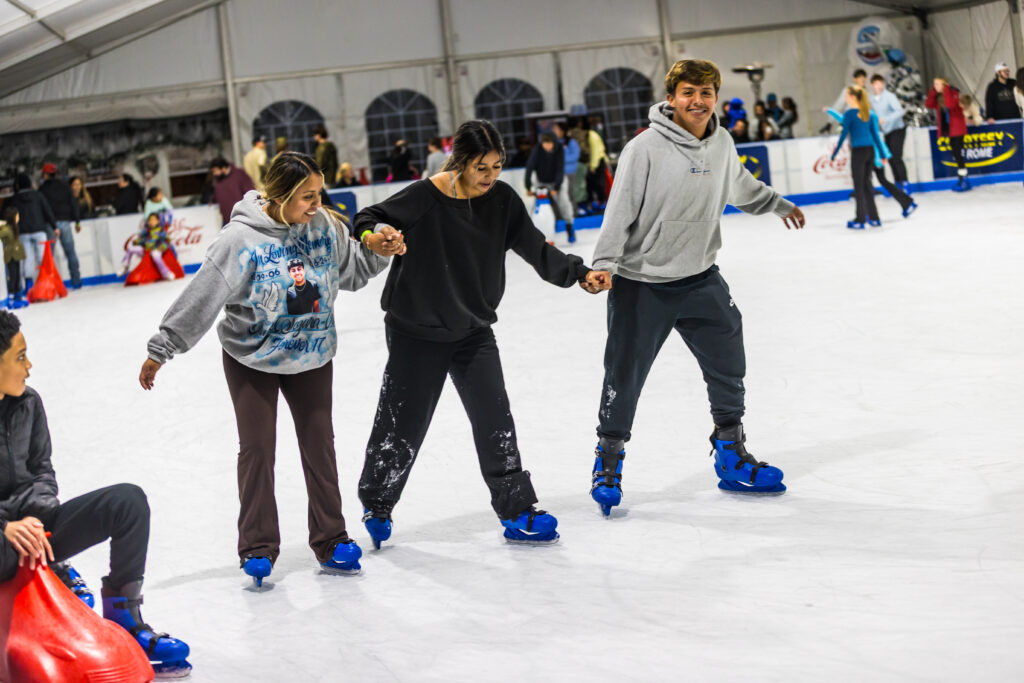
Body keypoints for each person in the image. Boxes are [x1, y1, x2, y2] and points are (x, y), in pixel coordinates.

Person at [139, 151, 404, 587]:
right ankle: (258, 548)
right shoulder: (239, 240)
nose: (316, 205)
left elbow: (352, 272)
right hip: (252, 360)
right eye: (306, 197)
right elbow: (202, 297)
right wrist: (163, 347)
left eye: (319, 194)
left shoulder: (326, 227)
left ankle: (332, 539)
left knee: (320, 446)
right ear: (278, 195)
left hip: (312, 355)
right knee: (258, 449)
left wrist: (381, 251)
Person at [354, 119, 611, 549]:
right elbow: (368, 217)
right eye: (481, 168)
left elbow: (535, 246)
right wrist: (376, 236)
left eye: (497, 166)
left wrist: (579, 274)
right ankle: (377, 502)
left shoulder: (503, 201)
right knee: (402, 423)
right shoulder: (425, 197)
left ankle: (517, 509)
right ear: (458, 162)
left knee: (496, 420)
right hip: (416, 330)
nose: (490, 176)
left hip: (473, 330)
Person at [588, 59, 806, 516]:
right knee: (624, 374)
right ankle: (608, 462)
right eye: (689, 92)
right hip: (642, 282)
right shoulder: (643, 148)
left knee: (729, 356)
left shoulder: (722, 142)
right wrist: (605, 262)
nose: (698, 101)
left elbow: (740, 186)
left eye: (707, 92)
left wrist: (776, 203)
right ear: (671, 98)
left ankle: (731, 453)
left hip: (700, 277)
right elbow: (619, 208)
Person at [0, 311, 191, 676]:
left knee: (128, 502)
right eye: (20, 357)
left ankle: (125, 617)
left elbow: (42, 468)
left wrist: (37, 515)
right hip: (1, 540)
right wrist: (7, 527)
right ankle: (52, 573)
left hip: (35, 530)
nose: (30, 366)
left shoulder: (29, 402)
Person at [830, 86, 916, 227]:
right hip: (871, 153)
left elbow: (846, 133)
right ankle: (875, 217)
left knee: (865, 185)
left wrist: (834, 153)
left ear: (853, 97)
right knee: (869, 184)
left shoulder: (854, 115)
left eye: (847, 95)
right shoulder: (868, 114)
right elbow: (875, 136)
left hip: (864, 154)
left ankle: (862, 218)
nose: (845, 98)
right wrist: (882, 154)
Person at [5, 174, 56, 294]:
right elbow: (47, 210)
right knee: (43, 258)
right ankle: (47, 283)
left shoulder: (14, 199)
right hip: (39, 229)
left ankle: (29, 285)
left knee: (27, 259)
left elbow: (8, 215)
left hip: (23, 232)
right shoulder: (38, 195)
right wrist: (54, 226)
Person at [525, 132, 575, 243]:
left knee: (564, 203)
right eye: (544, 144)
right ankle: (536, 233)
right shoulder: (537, 150)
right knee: (536, 207)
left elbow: (560, 169)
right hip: (541, 181)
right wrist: (528, 186)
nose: (546, 146)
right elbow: (530, 167)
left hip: (558, 181)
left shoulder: (559, 149)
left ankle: (569, 226)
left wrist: (556, 188)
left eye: (549, 144)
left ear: (554, 143)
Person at [38, 163, 82, 289]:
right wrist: (77, 221)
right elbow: (73, 203)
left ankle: (50, 284)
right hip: (65, 222)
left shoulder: (42, 189)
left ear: (45, 174)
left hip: (50, 225)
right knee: (71, 253)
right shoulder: (65, 187)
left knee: (49, 257)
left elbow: (42, 208)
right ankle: (76, 281)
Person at [926, 78, 970, 191]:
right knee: (955, 154)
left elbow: (950, 105)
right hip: (949, 130)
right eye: (934, 84)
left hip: (958, 128)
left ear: (944, 85)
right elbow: (928, 104)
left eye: (937, 84)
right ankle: (962, 177)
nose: (935, 86)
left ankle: (963, 179)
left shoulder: (953, 93)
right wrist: (933, 92)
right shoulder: (937, 96)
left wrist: (945, 90)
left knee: (957, 153)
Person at [869, 74, 910, 189]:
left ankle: (905, 183)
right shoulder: (872, 99)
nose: (879, 86)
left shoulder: (889, 96)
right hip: (887, 131)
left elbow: (899, 111)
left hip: (897, 129)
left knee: (897, 157)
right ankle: (898, 183)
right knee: (890, 158)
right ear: (872, 85)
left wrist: (885, 119)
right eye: (876, 84)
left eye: (881, 83)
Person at [118, 212, 176, 280]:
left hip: (156, 249)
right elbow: (142, 240)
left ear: (158, 221)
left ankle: (166, 273)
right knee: (131, 248)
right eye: (150, 220)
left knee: (156, 255)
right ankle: (125, 266)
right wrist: (137, 242)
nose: (152, 222)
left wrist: (162, 247)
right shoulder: (146, 231)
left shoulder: (161, 230)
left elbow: (168, 241)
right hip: (146, 250)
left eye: (154, 220)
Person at [209, 156, 256, 225]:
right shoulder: (218, 179)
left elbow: (250, 192)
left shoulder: (240, 174)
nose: (214, 173)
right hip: (226, 220)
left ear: (223, 168)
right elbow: (218, 194)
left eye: (215, 171)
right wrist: (212, 200)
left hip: (242, 219)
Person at [553, 121, 582, 219]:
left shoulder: (571, 142)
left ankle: (574, 213)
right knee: (559, 195)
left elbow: (575, 156)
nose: (554, 131)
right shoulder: (555, 143)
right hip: (558, 173)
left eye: (556, 129)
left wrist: (561, 159)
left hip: (569, 172)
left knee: (570, 193)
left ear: (562, 130)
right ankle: (561, 215)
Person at [0, 207, 27, 308]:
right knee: (12, 277)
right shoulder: (6, 229)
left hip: (17, 256)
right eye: (17, 216)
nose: (18, 217)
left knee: (17, 276)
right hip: (10, 256)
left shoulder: (14, 227)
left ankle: (17, 295)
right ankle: (11, 298)